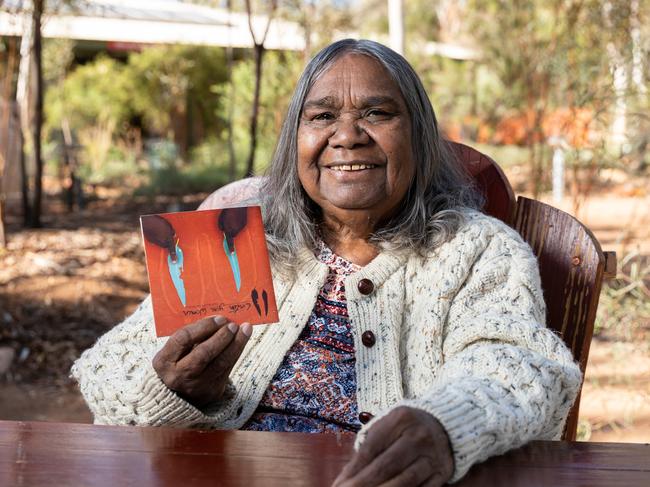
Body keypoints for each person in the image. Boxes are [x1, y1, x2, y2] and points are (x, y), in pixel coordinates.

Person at [72, 39, 582, 486]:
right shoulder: (236, 239)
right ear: (296, 141)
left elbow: (517, 367)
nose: (347, 135)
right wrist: (174, 389)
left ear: (419, 137)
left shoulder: (474, 250)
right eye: (321, 116)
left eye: (377, 113)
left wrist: (448, 426)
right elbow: (108, 377)